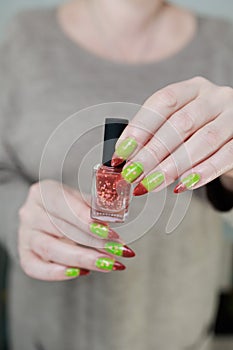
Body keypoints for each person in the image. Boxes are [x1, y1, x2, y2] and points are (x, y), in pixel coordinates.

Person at [0, 0, 233, 349]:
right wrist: (18, 214)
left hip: (177, 332)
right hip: (44, 332)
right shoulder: (24, 37)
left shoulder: (225, 44)